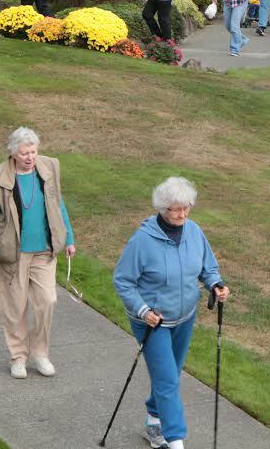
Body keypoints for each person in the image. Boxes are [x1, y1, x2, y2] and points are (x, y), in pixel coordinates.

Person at [113, 177, 229, 449]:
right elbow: (123, 280)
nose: (182, 214)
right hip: (154, 322)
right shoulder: (143, 240)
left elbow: (207, 267)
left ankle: (154, 422)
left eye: (187, 207)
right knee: (166, 380)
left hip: (185, 317)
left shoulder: (194, 231)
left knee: (171, 373)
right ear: (162, 208)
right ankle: (175, 441)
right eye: (176, 209)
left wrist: (216, 284)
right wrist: (143, 311)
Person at [0, 127, 76, 379]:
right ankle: (18, 357)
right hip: (14, 255)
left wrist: (68, 238)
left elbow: (59, 205)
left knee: (47, 300)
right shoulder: (0, 178)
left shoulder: (48, 169)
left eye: (33, 151)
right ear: (13, 154)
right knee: (15, 307)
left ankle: (40, 354)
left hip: (44, 251)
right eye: (24, 152)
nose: (30, 157)